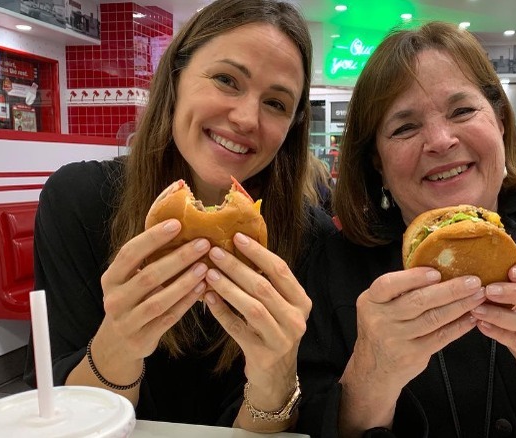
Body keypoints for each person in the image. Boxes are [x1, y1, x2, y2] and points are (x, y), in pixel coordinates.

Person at [295, 21, 516, 437]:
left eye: (462, 111)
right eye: (404, 127)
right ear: (377, 161)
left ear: (500, 120)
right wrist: (371, 377)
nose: (440, 140)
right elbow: (303, 418)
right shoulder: (337, 263)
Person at [23, 0, 335, 433]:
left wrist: (276, 375)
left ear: (291, 128)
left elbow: (275, 421)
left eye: (277, 103)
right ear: (175, 79)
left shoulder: (310, 235)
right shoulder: (77, 201)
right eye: (226, 80)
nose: (246, 118)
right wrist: (120, 342)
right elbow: (65, 410)